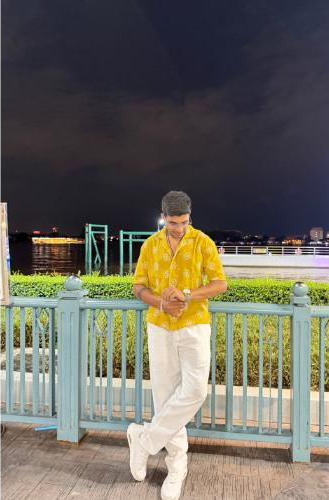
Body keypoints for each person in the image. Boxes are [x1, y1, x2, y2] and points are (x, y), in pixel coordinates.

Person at [128, 190, 227, 500]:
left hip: (194, 324)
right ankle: (176, 466)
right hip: (159, 327)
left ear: (189, 217)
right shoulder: (150, 245)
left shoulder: (203, 242)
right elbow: (138, 286)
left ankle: (144, 440)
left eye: (184, 222)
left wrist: (186, 294)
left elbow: (220, 283)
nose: (179, 228)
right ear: (164, 218)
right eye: (173, 223)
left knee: (196, 390)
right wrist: (161, 303)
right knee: (165, 396)